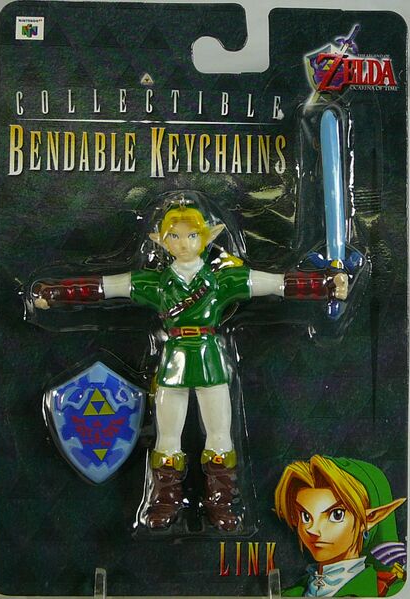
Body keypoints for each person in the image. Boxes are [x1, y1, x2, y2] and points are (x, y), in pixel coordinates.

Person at [32, 195, 348, 531]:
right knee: (168, 436)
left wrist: (326, 285)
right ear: (162, 241)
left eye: (192, 235)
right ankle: (165, 499)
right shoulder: (156, 283)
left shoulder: (222, 280)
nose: (183, 243)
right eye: (175, 236)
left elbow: (276, 283)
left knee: (220, 434)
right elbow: (105, 288)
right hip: (174, 362)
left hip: (210, 360)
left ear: (207, 237)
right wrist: (53, 293)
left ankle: (222, 501)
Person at [274, 455, 406, 596]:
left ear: (369, 519)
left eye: (336, 515)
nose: (312, 529)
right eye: (305, 516)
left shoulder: (388, 592)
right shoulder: (290, 593)